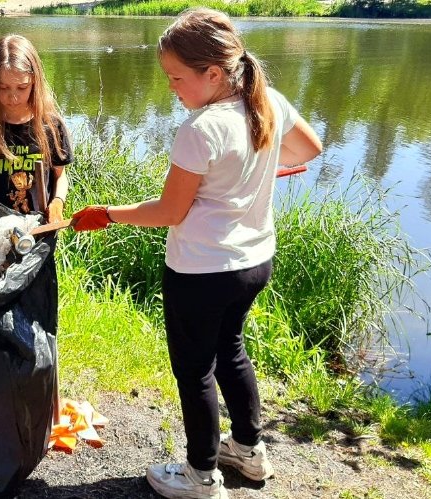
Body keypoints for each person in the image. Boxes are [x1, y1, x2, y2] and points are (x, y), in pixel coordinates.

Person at [71, 8, 322, 499]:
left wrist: (108, 212)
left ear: (212, 74)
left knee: (195, 370)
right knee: (230, 351)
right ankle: (249, 452)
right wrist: (256, 168)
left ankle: (200, 476)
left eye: (177, 78)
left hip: (202, 271)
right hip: (254, 263)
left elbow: (169, 211)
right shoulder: (269, 103)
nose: (172, 88)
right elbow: (308, 149)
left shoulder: (201, 129)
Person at [0, 34, 73, 223]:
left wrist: (58, 203)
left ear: (34, 81)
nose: (13, 97)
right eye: (3, 87)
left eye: (22, 87)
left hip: (36, 231)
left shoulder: (51, 126)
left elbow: (60, 177)